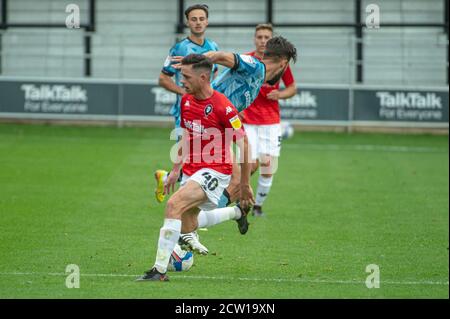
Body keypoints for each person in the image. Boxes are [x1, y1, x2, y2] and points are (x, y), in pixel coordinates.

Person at [137, 54, 254, 281]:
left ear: (203, 77)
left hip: (216, 170)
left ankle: (158, 271)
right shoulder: (186, 100)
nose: (182, 81)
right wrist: (174, 170)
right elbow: (185, 136)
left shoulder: (224, 107)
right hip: (191, 170)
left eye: (186, 77)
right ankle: (237, 212)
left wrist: (244, 184)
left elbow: (244, 143)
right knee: (186, 223)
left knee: (173, 205)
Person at [156, 4, 219, 203]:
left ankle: (167, 181)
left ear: (207, 21)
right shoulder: (179, 48)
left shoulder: (214, 47)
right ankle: (181, 212)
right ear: (187, 22)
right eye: (194, 19)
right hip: (186, 113)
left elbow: (213, 77)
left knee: (203, 160)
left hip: (208, 113)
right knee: (188, 158)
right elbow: (163, 79)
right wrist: (185, 92)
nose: (198, 22)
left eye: (201, 19)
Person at [241, 24, 297, 217]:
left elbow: (292, 88)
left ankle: (257, 206)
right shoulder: (247, 60)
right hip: (247, 121)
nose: (263, 40)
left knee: (268, 167)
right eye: (260, 37)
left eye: (267, 37)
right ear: (254, 39)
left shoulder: (281, 62)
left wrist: (280, 94)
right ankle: (239, 197)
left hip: (271, 122)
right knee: (249, 164)